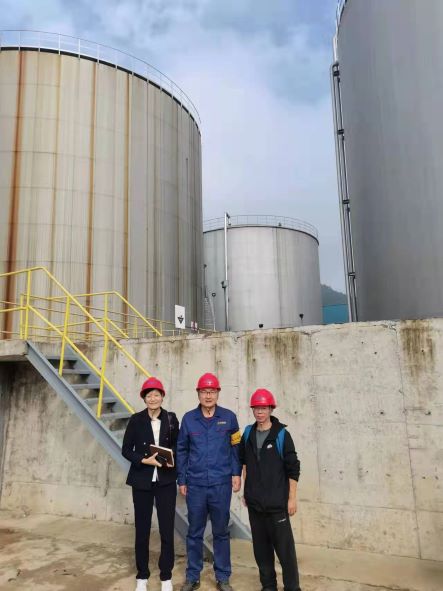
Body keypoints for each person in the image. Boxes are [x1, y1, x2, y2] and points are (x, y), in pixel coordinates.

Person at [177, 372, 242, 591]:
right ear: (198, 393)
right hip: (195, 484)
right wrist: (182, 479)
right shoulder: (188, 419)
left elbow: (236, 448)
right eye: (204, 391)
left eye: (212, 391)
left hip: (221, 484)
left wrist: (236, 474)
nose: (208, 395)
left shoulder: (229, 417)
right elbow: (182, 450)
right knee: (195, 532)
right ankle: (192, 576)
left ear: (218, 393)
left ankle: (223, 577)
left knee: (221, 532)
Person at [239, 388, 301, 591]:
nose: (259, 412)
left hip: (277, 504)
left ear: (271, 409)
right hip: (255, 505)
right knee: (261, 550)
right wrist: (246, 490)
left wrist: (291, 499)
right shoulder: (248, 433)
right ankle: (268, 586)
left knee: (285, 552)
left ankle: (292, 587)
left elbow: (293, 469)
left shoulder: (281, 435)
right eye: (256, 408)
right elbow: (244, 463)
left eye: (264, 408)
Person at [122, 377, 179, 591]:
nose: (153, 398)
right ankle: (142, 575)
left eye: (156, 395)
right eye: (149, 395)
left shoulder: (171, 418)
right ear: (144, 398)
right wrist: (144, 460)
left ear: (162, 397)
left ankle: (166, 576)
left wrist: (171, 458)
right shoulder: (136, 420)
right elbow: (126, 449)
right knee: (142, 529)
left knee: (166, 529)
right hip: (142, 480)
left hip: (166, 481)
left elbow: (178, 445)